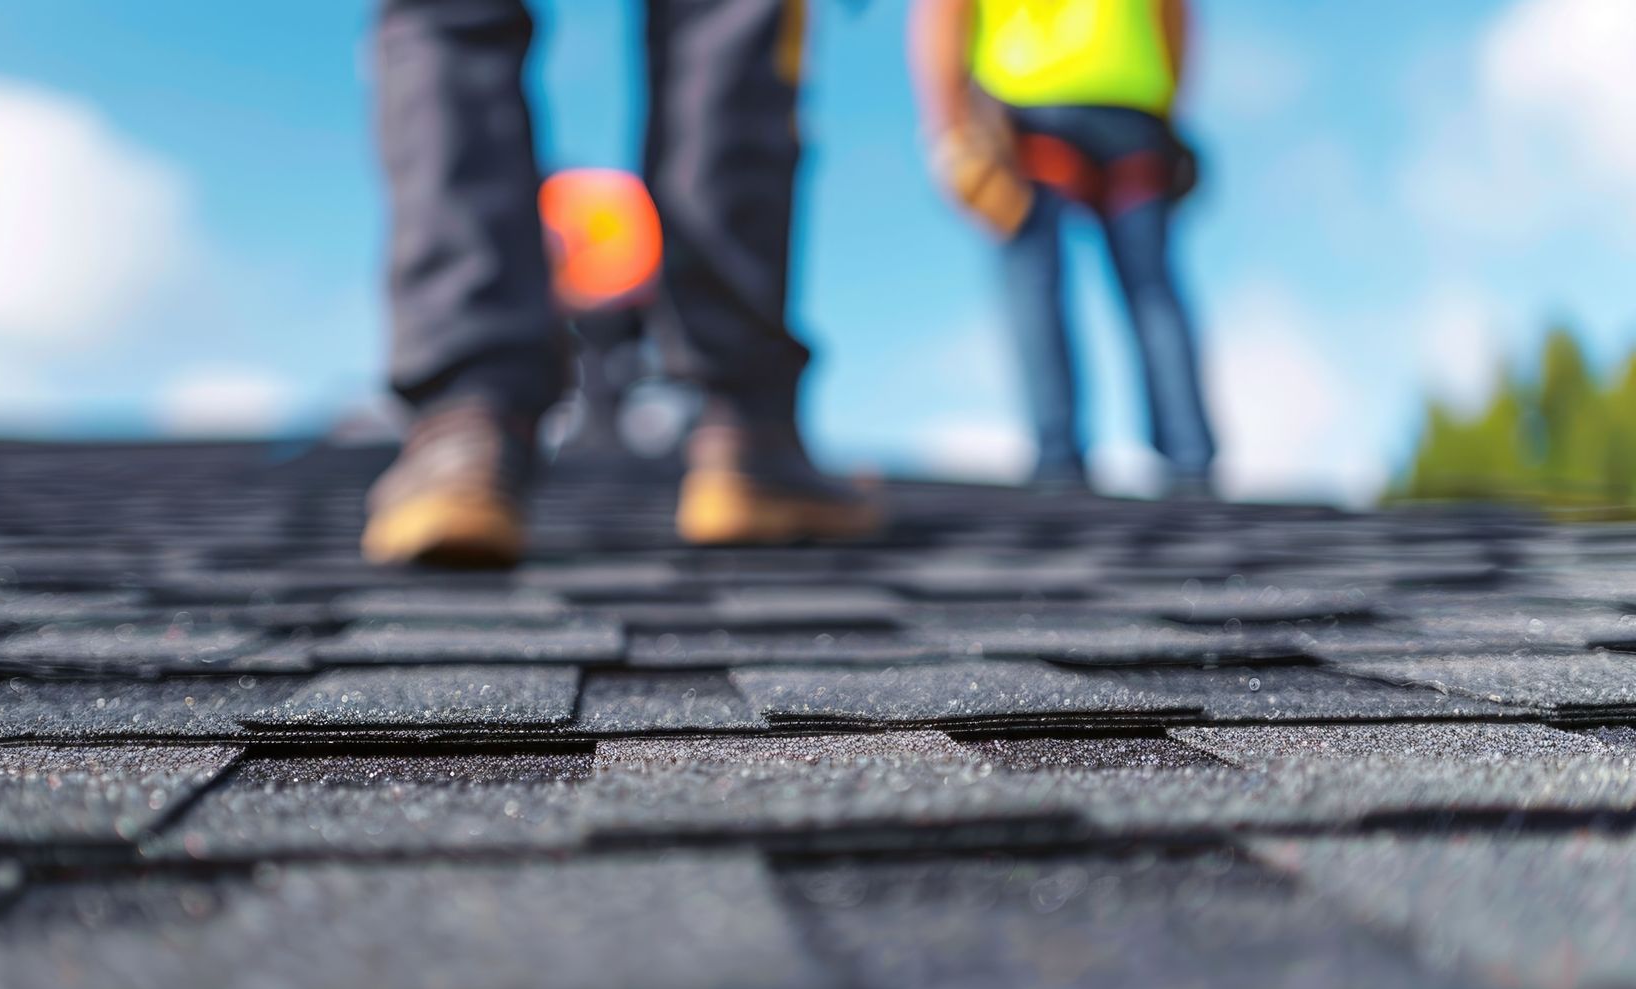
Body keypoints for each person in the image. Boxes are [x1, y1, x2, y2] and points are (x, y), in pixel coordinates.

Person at [362, 0, 878, 567]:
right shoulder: (592, 205)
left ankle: (464, 434)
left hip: (604, 312)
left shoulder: (586, 204)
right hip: (613, 312)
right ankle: (748, 437)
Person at [910, 0, 1216, 491]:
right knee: (1152, 288)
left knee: (1034, 283)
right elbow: (1175, 14)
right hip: (1133, 101)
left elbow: (945, 12)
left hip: (1028, 102)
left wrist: (950, 133)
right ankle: (1189, 457)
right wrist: (1168, 110)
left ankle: (1058, 459)